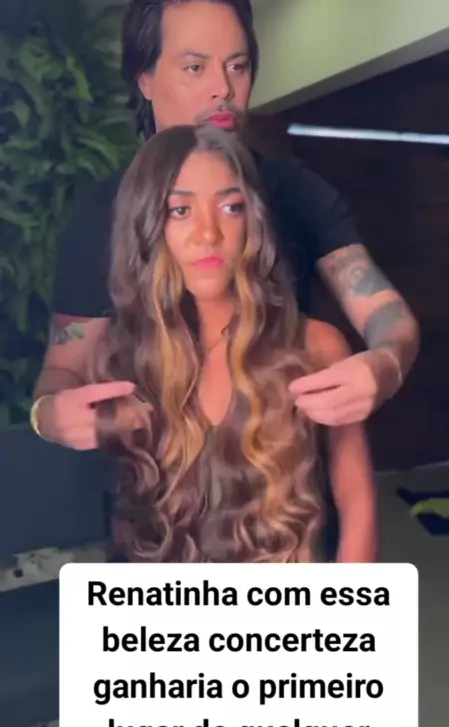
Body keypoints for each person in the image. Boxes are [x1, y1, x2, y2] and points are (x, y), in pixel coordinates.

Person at [84, 122, 403, 727]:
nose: (208, 233)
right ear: (149, 223)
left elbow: (356, 499)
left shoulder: (314, 344)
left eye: (230, 207)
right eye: (180, 209)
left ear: (252, 222)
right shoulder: (120, 360)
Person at [31, 0, 419, 449]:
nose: (223, 89)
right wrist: (49, 415)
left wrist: (386, 365)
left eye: (238, 66)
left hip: (282, 475)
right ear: (145, 80)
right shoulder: (100, 212)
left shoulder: (296, 191)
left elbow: (387, 315)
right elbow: (63, 368)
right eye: (195, 68)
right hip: (152, 482)